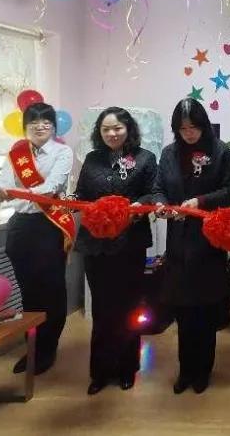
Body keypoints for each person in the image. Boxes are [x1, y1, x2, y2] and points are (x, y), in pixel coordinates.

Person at [153, 98, 230, 395]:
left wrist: (199, 202)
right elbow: (158, 188)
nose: (189, 133)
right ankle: (185, 370)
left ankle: (203, 370)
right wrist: (161, 205)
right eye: (183, 128)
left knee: (205, 311)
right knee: (184, 311)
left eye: (193, 127)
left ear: (203, 125)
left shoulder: (220, 151)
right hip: (178, 244)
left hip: (209, 241)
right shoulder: (169, 154)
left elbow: (229, 191)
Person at [74, 107, 158, 395]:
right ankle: (100, 371)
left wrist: (137, 206)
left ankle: (126, 368)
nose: (112, 133)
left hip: (129, 242)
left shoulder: (145, 158)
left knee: (129, 306)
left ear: (128, 129)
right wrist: (70, 201)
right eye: (106, 129)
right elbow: (82, 194)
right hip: (95, 244)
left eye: (117, 128)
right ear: (99, 132)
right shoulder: (92, 158)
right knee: (102, 308)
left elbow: (153, 192)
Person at [0, 102, 74, 375]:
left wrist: (20, 192)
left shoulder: (62, 152)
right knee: (28, 291)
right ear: (25, 126)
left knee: (51, 290)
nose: (40, 127)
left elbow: (51, 187)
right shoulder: (16, 154)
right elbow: (3, 181)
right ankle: (33, 347)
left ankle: (48, 348)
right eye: (34, 122)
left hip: (49, 225)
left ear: (53, 126)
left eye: (46, 122)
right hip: (21, 226)